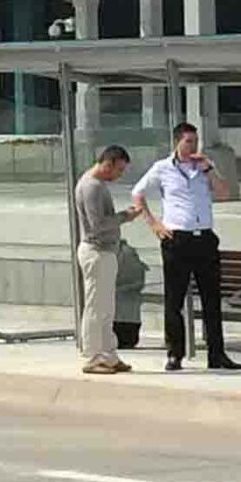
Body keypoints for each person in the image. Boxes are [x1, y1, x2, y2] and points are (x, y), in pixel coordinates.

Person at [130, 120, 241, 372]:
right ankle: (175, 354)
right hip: (177, 239)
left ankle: (217, 354)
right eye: (189, 141)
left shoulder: (205, 167)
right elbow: (137, 194)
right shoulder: (162, 168)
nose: (193, 146)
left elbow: (225, 194)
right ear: (177, 142)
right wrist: (154, 224)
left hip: (204, 237)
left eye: (196, 141)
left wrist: (210, 170)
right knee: (174, 300)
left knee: (211, 299)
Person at [73, 144, 142, 374]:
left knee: (106, 307)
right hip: (96, 251)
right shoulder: (91, 187)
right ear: (108, 163)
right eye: (119, 170)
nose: (119, 175)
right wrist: (125, 216)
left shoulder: (97, 185)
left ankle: (108, 354)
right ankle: (93, 356)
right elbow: (97, 225)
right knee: (95, 306)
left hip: (105, 251)